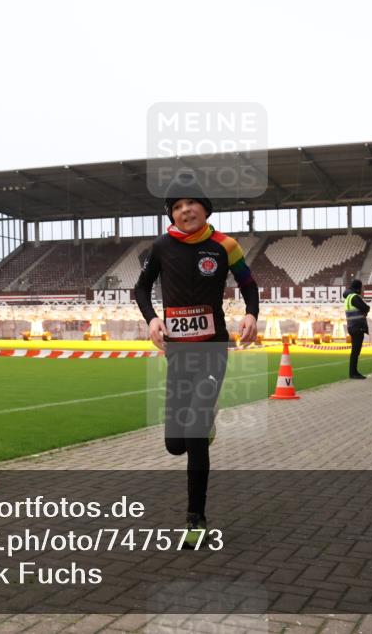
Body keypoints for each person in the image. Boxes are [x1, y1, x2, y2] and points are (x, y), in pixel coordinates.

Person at [134, 171, 259, 544]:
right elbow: (141, 288)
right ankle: (206, 423)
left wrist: (251, 314)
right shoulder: (161, 246)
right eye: (177, 206)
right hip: (178, 353)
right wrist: (152, 319)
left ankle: (195, 520)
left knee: (194, 431)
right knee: (175, 443)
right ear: (171, 214)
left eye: (191, 203)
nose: (185, 210)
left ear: (205, 208)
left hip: (213, 348)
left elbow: (248, 284)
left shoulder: (225, 245)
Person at [343, 279, 370, 379]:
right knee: (355, 351)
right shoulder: (354, 297)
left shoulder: (348, 297)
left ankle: (353, 372)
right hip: (357, 327)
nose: (363, 289)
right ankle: (353, 373)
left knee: (355, 351)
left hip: (352, 326)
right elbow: (366, 308)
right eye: (362, 287)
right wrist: (365, 308)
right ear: (358, 288)